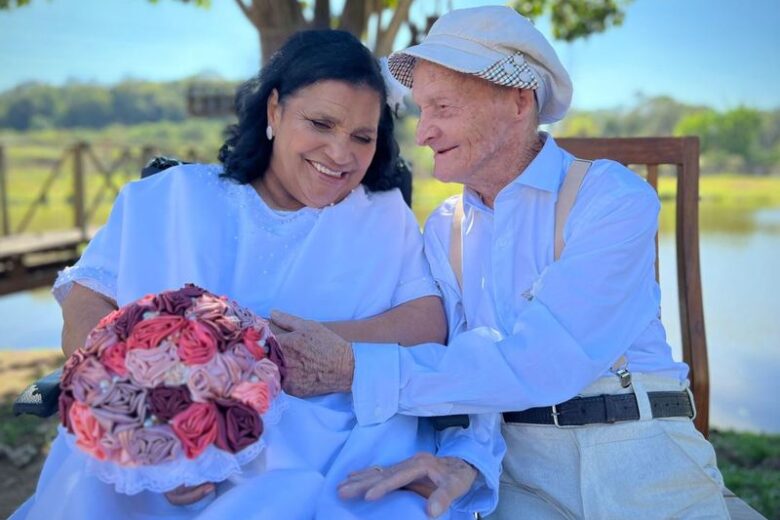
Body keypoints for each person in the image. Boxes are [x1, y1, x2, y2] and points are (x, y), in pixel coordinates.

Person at [12, 30, 501, 520]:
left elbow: (427, 320)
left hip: (321, 447)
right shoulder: (169, 198)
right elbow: (86, 303)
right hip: (156, 435)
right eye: (321, 123)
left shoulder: (381, 217)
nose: (340, 154)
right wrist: (147, 427)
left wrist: (297, 352)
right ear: (273, 111)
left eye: (362, 137)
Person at [272, 7, 730, 519]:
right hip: (515, 478)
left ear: (517, 101)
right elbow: (474, 366)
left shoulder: (611, 197)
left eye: (442, 107)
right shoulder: (444, 228)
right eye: (421, 110)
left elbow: (544, 362)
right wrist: (466, 459)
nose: (422, 134)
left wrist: (355, 367)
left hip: (642, 461)